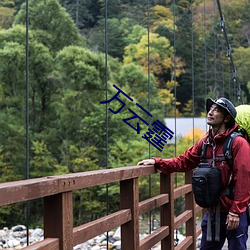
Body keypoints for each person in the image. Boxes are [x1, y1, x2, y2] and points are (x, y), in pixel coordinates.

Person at [137, 97, 250, 250]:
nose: (210, 112)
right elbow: (184, 161)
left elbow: (244, 178)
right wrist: (158, 162)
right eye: (210, 109)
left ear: (227, 118)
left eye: (216, 110)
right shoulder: (205, 143)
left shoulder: (238, 143)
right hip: (213, 211)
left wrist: (236, 212)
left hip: (233, 211)